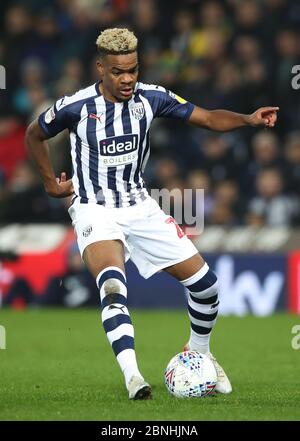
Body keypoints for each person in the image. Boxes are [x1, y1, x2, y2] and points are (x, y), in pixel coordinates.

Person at [26, 28, 278, 400]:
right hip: (95, 207)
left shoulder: (152, 98)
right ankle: (134, 378)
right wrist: (50, 183)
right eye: (118, 72)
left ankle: (201, 354)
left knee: (207, 287)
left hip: (141, 205)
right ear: (101, 68)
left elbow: (207, 119)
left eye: (133, 70)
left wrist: (248, 120)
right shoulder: (76, 106)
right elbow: (34, 133)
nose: (127, 79)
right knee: (113, 285)